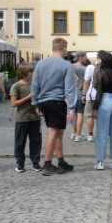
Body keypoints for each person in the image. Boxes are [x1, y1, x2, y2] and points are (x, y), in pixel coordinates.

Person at [31, 37, 77, 175]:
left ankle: (61, 161)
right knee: (52, 132)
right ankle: (47, 164)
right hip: (56, 101)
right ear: (64, 48)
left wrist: (35, 103)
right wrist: (72, 107)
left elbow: (35, 85)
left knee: (58, 132)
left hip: (44, 101)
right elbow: (70, 88)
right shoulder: (66, 65)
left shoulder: (40, 64)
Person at [90, 51, 112, 170]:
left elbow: (99, 92)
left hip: (105, 101)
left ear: (102, 60)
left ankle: (100, 162)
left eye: (98, 59)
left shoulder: (101, 73)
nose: (97, 61)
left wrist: (95, 108)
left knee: (102, 133)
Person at [10, 63, 42, 173]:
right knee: (20, 142)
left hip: (35, 118)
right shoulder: (16, 86)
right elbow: (14, 103)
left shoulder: (34, 85)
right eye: (30, 71)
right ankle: (20, 163)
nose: (33, 73)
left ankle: (35, 162)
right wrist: (28, 97)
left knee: (36, 141)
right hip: (22, 118)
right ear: (24, 73)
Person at [71, 51, 89, 141]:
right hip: (80, 94)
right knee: (80, 114)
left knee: (71, 115)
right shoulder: (84, 69)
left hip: (70, 95)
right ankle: (78, 135)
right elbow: (87, 81)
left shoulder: (70, 67)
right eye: (85, 56)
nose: (86, 58)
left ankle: (74, 132)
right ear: (80, 57)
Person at [82, 54, 97, 142]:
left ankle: (90, 134)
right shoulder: (104, 67)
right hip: (101, 94)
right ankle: (102, 134)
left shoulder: (90, 67)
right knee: (101, 115)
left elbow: (86, 82)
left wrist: (83, 94)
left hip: (91, 94)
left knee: (90, 115)